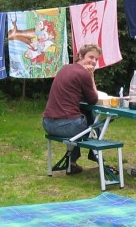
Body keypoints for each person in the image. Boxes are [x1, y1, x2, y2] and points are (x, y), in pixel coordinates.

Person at [42, 43, 102, 174]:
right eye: (90, 57)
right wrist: (91, 77)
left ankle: (73, 162)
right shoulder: (84, 74)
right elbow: (93, 100)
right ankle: (96, 155)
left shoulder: (65, 68)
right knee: (92, 121)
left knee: (82, 114)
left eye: (96, 59)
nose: (93, 61)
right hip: (66, 127)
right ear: (79, 56)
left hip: (47, 124)